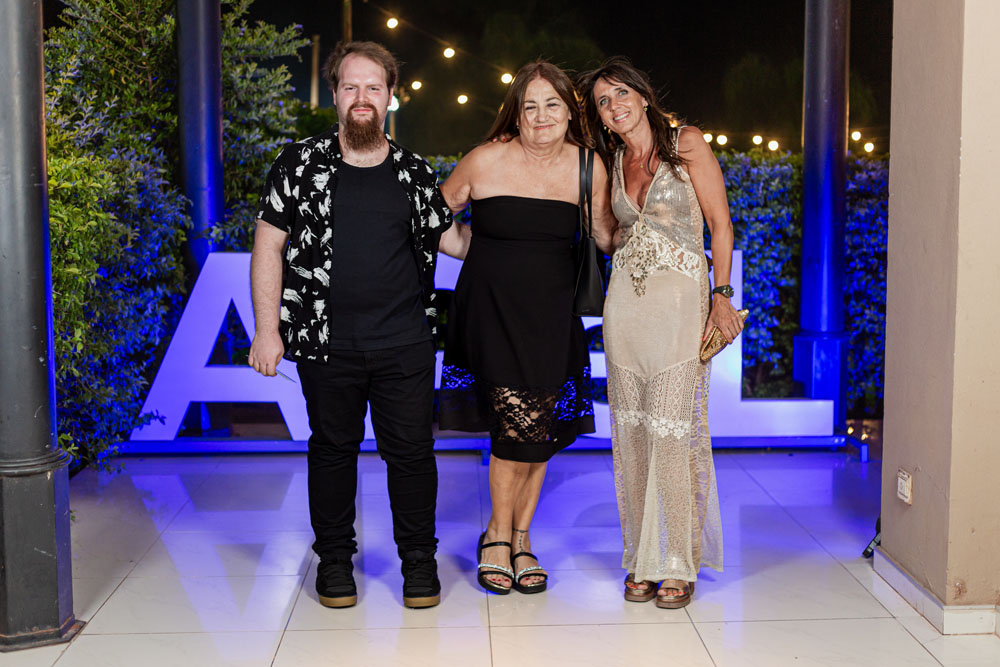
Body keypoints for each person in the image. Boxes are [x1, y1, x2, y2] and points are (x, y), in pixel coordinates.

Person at [249, 41, 469, 610]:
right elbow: (268, 247)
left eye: (374, 87)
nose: (362, 97)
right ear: (336, 95)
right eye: (351, 86)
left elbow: (456, 243)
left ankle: (419, 565)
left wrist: (516, 215)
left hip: (405, 343)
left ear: (390, 96)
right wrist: (267, 330)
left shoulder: (415, 173)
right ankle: (334, 564)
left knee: (412, 456)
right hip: (325, 344)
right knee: (331, 452)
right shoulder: (299, 164)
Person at [437, 62, 617, 595]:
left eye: (552, 104)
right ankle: (499, 535)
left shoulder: (588, 167)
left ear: (570, 112)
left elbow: (607, 238)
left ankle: (519, 536)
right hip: (489, 311)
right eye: (530, 105)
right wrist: (477, 253)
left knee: (540, 428)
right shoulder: (484, 159)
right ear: (515, 113)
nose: (541, 116)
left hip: (553, 315)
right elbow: (435, 218)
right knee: (513, 427)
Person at [577, 57, 743, 608]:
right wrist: (589, 211)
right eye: (603, 101)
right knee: (633, 436)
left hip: (682, 308)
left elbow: (720, 224)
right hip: (625, 310)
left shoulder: (686, 142)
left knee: (675, 432)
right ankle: (641, 558)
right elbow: (610, 240)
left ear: (643, 96)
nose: (614, 106)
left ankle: (678, 561)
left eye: (621, 93)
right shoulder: (612, 161)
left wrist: (722, 296)